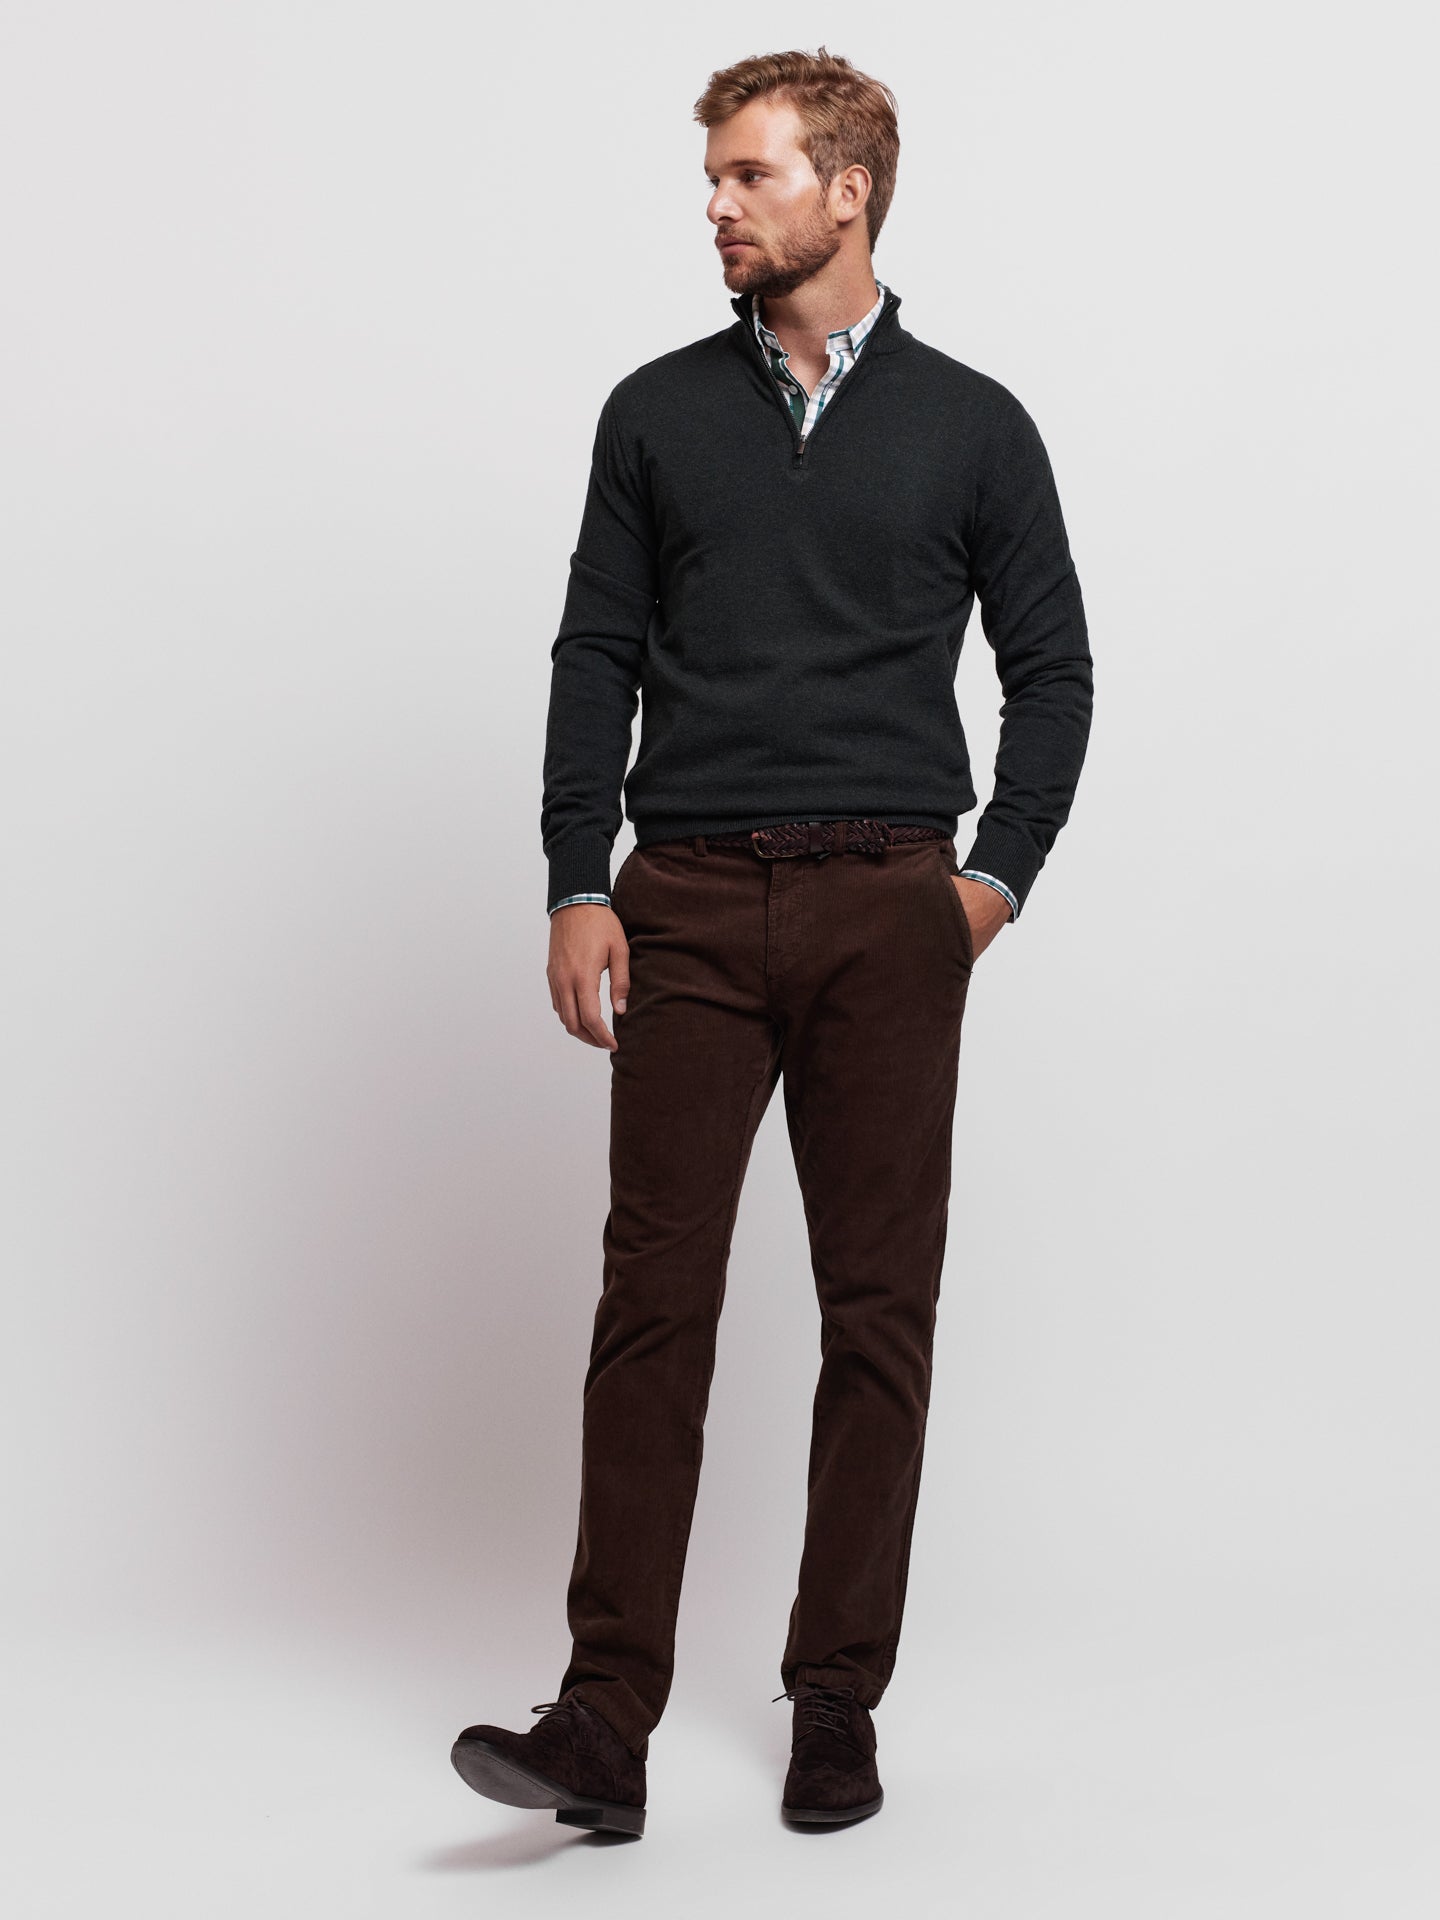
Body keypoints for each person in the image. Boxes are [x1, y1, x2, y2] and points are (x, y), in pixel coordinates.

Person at [451, 46, 1093, 1837]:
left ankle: (835, 1704)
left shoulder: (974, 425)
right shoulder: (655, 413)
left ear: (847, 189)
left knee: (878, 1310)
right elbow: (595, 652)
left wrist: (990, 883)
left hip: (894, 905)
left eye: (750, 175)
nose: (718, 206)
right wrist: (578, 878)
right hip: (689, 903)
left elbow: (1053, 672)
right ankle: (603, 1721)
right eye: (715, 178)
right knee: (652, 1303)